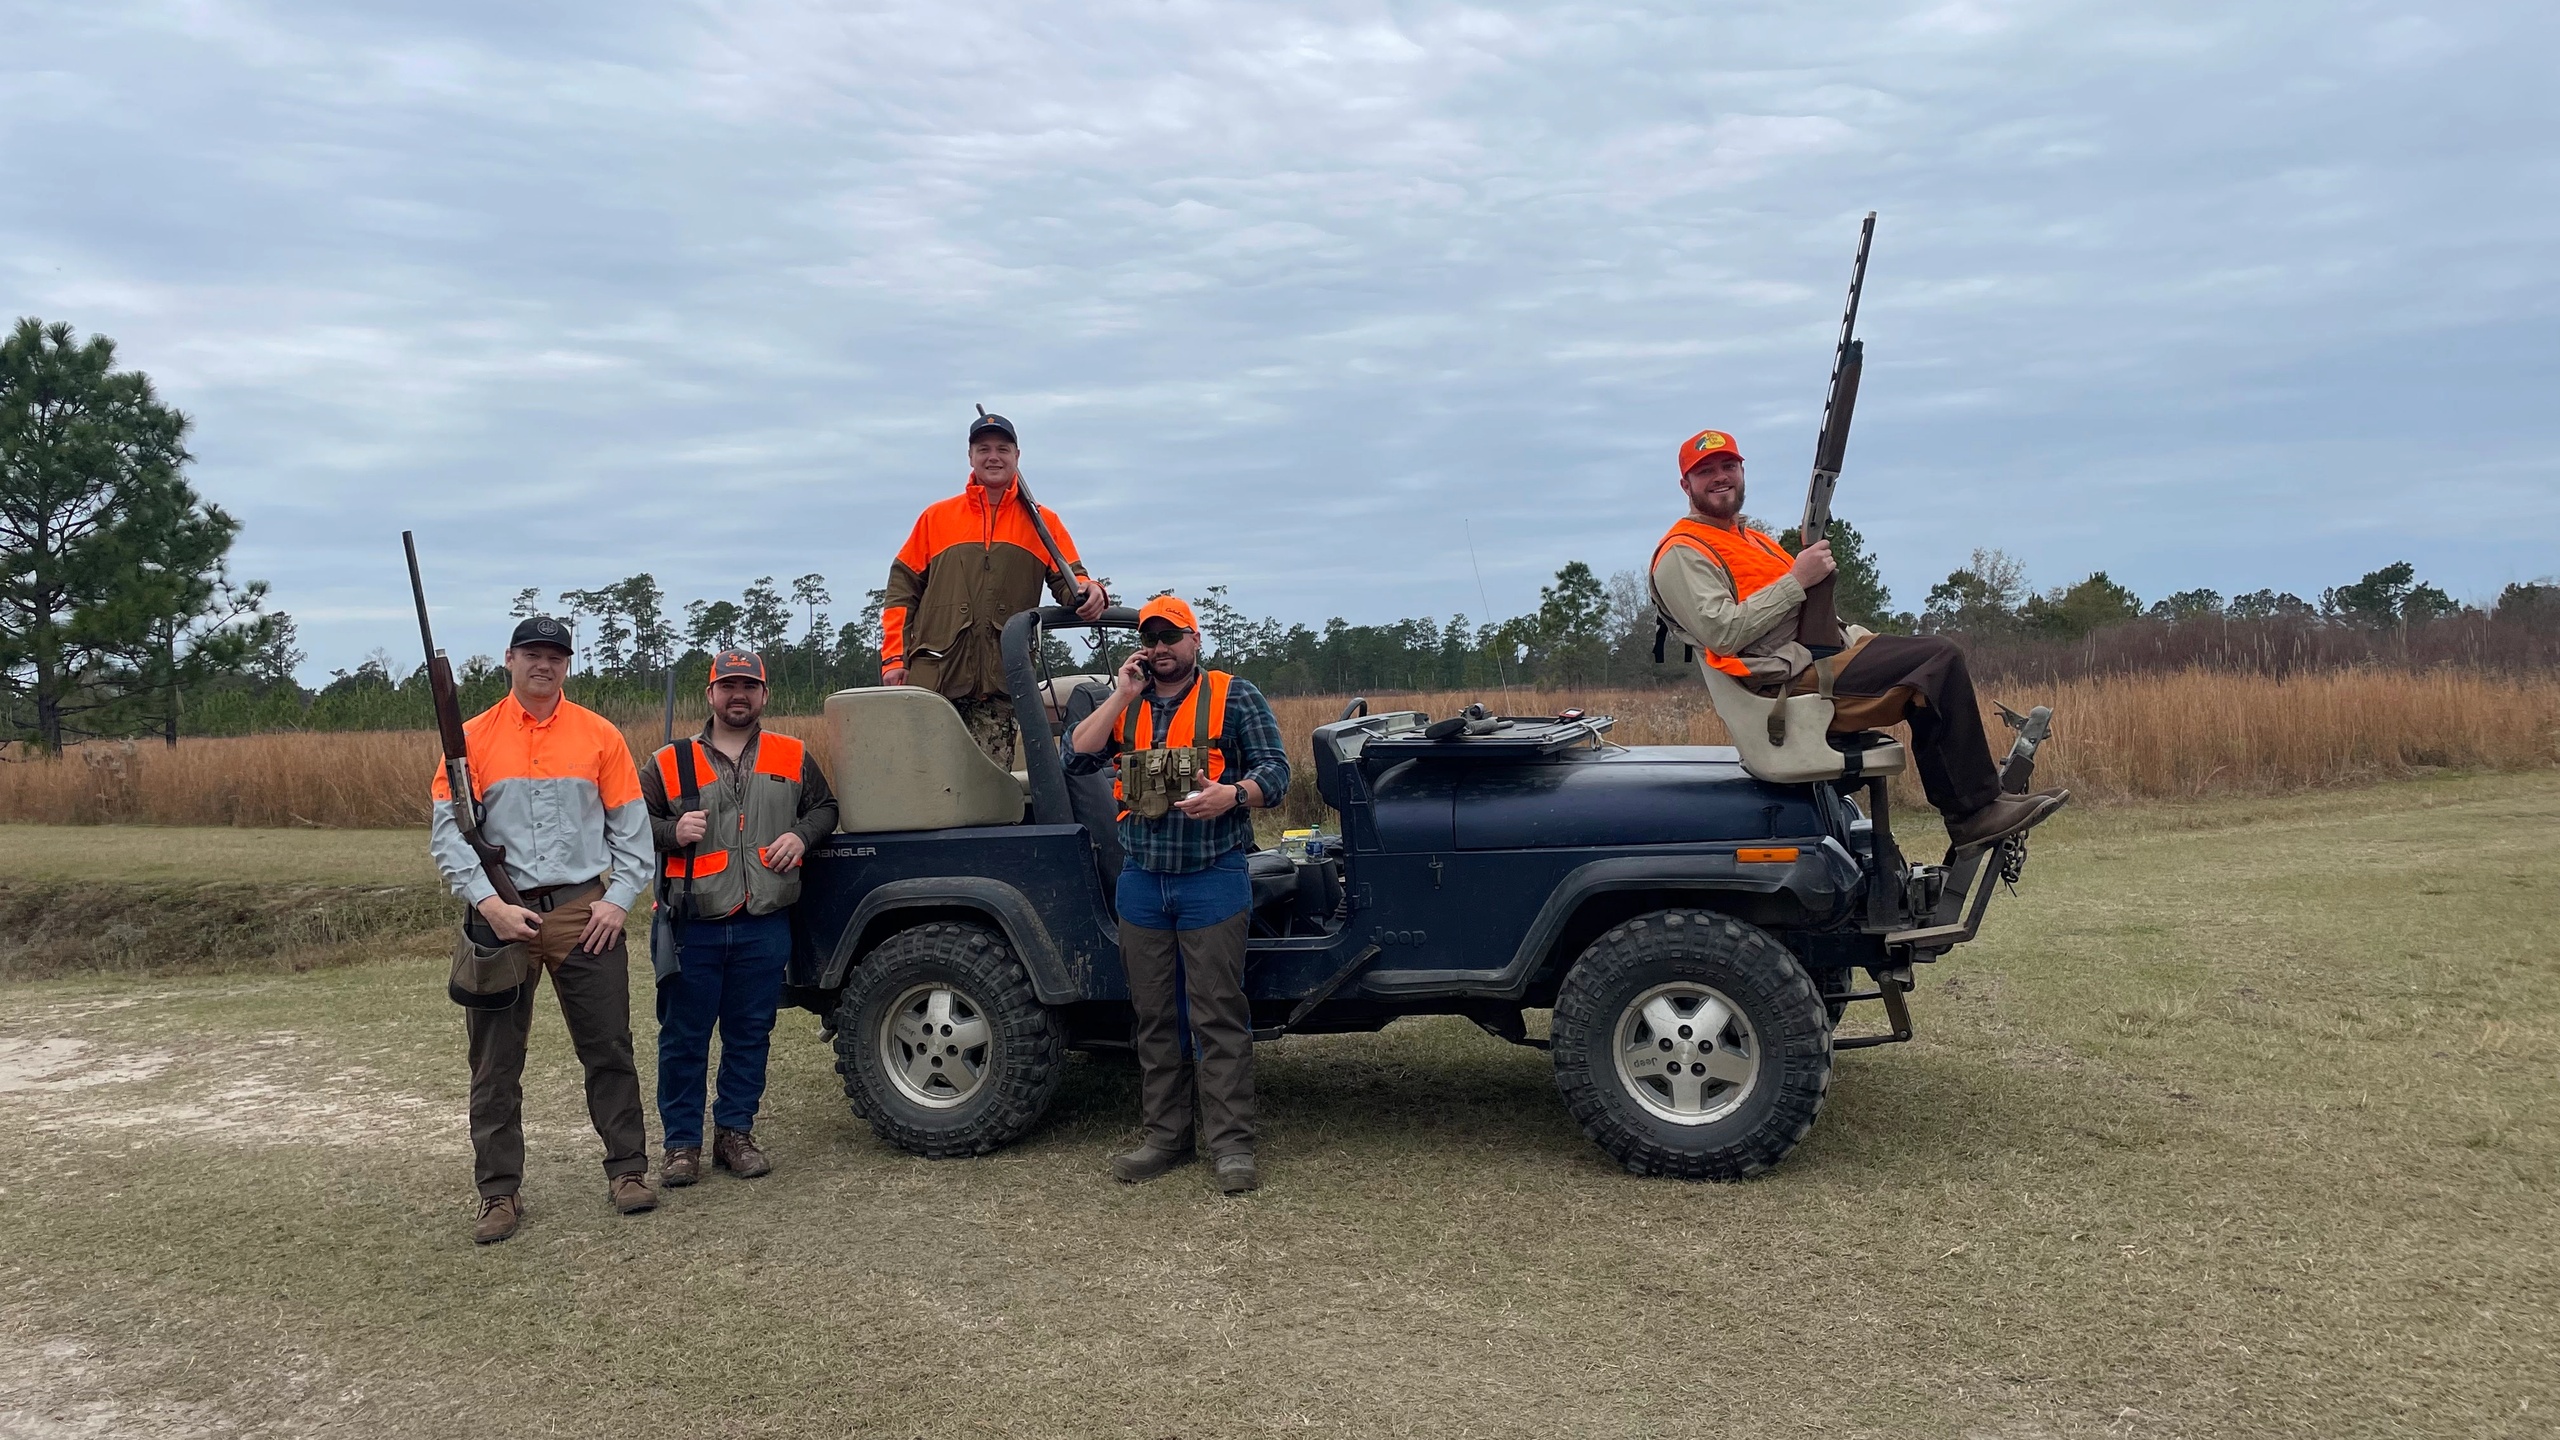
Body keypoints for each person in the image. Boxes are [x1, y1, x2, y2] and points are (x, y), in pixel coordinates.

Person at [1649, 427, 2067, 848]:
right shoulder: (1682, 552)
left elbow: (1808, 613)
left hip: (1815, 661)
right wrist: (1798, 578)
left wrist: (1858, 634)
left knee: (1929, 664)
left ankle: (1978, 806)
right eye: (1706, 471)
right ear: (1686, 485)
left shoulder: (1752, 540)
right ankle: (1975, 814)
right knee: (1939, 657)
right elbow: (1722, 633)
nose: (1720, 477)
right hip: (1784, 682)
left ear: (1742, 472)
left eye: (1728, 466)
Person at [429, 615, 657, 1245]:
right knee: (495, 1064)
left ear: (567, 664)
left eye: (555, 655)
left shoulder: (599, 736)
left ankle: (628, 1172)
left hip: (585, 914)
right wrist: (488, 904)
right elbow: (449, 837)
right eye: (532, 653)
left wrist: (617, 902)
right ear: (509, 659)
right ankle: (498, 1195)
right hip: (499, 920)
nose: (543, 664)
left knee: (609, 1048)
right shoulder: (468, 741)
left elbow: (633, 837)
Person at [1065, 595, 1290, 1195]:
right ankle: (1165, 1138)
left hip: (1213, 876)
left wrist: (1232, 795)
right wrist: (1120, 693)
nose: (1161, 647)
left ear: (1195, 639)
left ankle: (1231, 1147)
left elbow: (1277, 772)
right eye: (1151, 637)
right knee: (1155, 1017)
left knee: (1217, 1013)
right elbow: (1076, 755)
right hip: (1142, 881)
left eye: (1172, 636)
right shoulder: (1127, 703)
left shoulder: (1233, 695)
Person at [640, 648, 839, 1187]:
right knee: (684, 1038)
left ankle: (735, 1134)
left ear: (764, 695)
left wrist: (801, 835)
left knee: (751, 1033)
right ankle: (681, 1146)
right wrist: (669, 833)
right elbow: (631, 825)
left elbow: (826, 808)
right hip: (692, 922)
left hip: (764, 920)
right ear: (710, 694)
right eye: (727, 686)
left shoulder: (791, 754)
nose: (738, 695)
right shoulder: (668, 761)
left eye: (748, 687)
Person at [881, 410, 1111, 768]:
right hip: (933, 683)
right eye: (983, 448)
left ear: (1017, 457)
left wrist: (1090, 591)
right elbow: (900, 592)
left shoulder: (1042, 522)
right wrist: (895, 659)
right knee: (926, 780)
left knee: (987, 790)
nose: (993, 456)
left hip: (1000, 687)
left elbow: (1072, 582)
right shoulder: (936, 518)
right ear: (970, 457)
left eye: (1003, 449)